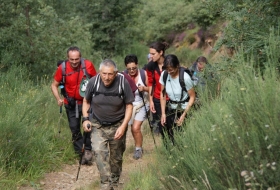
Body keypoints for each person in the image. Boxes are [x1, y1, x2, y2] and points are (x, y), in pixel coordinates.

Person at [82, 59, 134, 190]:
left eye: (110, 74)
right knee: (99, 152)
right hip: (97, 124)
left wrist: (123, 126)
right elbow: (86, 101)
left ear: (115, 73)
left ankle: (115, 181)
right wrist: (85, 119)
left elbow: (129, 106)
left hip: (118, 125)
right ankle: (106, 185)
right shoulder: (93, 82)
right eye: (104, 73)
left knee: (116, 157)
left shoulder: (123, 82)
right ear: (100, 72)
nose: (107, 77)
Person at [51, 46, 97, 165]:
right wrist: (58, 99)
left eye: (77, 59)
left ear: (80, 57)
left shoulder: (87, 65)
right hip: (70, 103)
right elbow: (54, 85)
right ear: (68, 58)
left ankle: (87, 150)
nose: (74, 62)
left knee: (88, 126)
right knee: (74, 129)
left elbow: (97, 81)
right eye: (72, 59)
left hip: (87, 102)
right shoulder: (63, 68)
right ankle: (80, 153)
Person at [160, 54, 195, 145]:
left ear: (177, 66)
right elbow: (163, 94)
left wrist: (183, 115)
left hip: (185, 108)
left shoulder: (185, 78)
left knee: (182, 135)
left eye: (171, 70)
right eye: (167, 70)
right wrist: (163, 113)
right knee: (168, 133)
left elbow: (192, 97)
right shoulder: (164, 75)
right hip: (172, 108)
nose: (169, 72)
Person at [124, 54, 149, 160]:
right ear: (126, 67)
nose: (132, 71)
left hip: (142, 103)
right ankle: (137, 145)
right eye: (129, 69)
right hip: (129, 106)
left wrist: (144, 88)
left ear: (137, 65)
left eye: (134, 68)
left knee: (135, 127)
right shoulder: (123, 76)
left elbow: (151, 89)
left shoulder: (144, 74)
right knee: (132, 129)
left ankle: (138, 149)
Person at [146, 41, 169, 137]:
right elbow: (150, 83)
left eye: (153, 54)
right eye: (150, 54)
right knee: (162, 124)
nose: (151, 56)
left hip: (171, 97)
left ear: (161, 52)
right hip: (157, 98)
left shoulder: (169, 62)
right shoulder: (150, 66)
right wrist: (151, 101)